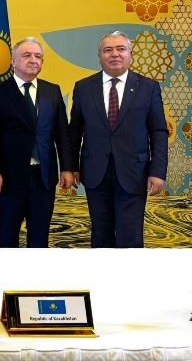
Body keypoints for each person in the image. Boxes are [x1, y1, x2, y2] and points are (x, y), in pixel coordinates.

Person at [69, 30, 167, 248]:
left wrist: (158, 172)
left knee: (130, 237)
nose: (114, 54)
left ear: (130, 54)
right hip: (95, 172)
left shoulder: (148, 87)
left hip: (134, 173)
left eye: (121, 49)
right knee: (100, 235)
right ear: (100, 56)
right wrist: (71, 166)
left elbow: (158, 131)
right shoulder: (83, 87)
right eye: (108, 50)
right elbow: (75, 131)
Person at [0, 37, 74, 247]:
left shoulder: (52, 90)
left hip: (43, 177)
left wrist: (67, 168)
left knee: (39, 237)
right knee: (7, 236)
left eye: (38, 56)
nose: (33, 60)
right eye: (26, 55)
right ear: (13, 61)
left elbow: (62, 134)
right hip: (9, 178)